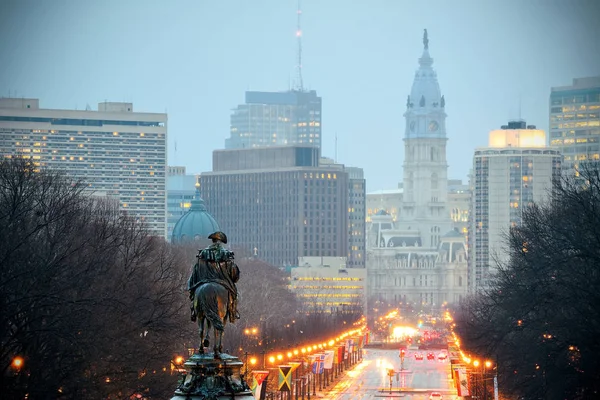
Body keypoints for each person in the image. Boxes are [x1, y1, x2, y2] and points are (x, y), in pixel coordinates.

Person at [188, 231, 240, 323]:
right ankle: (233, 312)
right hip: (222, 281)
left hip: (204, 280)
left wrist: (191, 285)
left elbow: (196, 270)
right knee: (234, 294)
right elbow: (233, 274)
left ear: (213, 241)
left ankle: (193, 309)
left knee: (194, 292)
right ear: (221, 242)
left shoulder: (203, 253)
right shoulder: (226, 254)